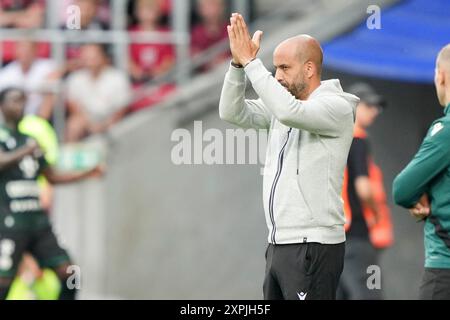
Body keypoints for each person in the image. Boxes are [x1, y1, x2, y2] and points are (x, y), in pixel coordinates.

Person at [219, 13, 359, 300]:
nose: (277, 75)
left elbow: (290, 113)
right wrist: (237, 65)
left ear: (309, 69)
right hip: (278, 244)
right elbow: (231, 112)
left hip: (313, 245)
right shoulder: (283, 105)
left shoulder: (337, 106)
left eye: (284, 67)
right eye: (274, 68)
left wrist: (251, 63)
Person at [0, 87, 103, 300]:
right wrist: (26, 151)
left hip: (38, 223)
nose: (19, 106)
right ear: (2, 106)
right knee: (3, 286)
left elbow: (52, 176)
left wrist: (86, 172)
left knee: (71, 275)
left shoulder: (30, 139)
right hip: (9, 224)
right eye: (13, 101)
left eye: (22, 101)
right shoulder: (6, 139)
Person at [393, 43, 450, 300]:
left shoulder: (445, 130)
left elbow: (402, 190)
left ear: (441, 75)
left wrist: (419, 194)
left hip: (444, 268)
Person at [338, 82, 394, 300]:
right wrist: (376, 213)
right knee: (370, 294)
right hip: (358, 236)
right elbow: (363, 188)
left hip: (336, 239)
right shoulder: (357, 140)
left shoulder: (335, 139)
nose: (375, 111)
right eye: (370, 105)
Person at [65, 43, 131, 142]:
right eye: (86, 57)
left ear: (103, 57)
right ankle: (71, 156)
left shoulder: (117, 77)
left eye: (93, 57)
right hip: (86, 120)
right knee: (73, 125)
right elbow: (73, 107)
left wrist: (106, 124)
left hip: (112, 120)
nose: (89, 61)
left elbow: (122, 108)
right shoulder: (75, 78)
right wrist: (90, 125)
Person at [0, 40, 58, 119]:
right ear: (16, 50)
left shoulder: (48, 67)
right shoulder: (6, 73)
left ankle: (40, 123)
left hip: (37, 116)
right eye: (22, 49)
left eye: (28, 50)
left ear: (35, 51)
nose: (25, 53)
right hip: (13, 118)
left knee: (51, 92)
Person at [191, 0, 229, 71]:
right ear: (200, 9)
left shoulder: (229, 29)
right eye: (207, 6)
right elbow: (194, 57)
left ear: (221, 8)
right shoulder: (197, 32)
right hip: (203, 77)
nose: (211, 10)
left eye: (214, 5)